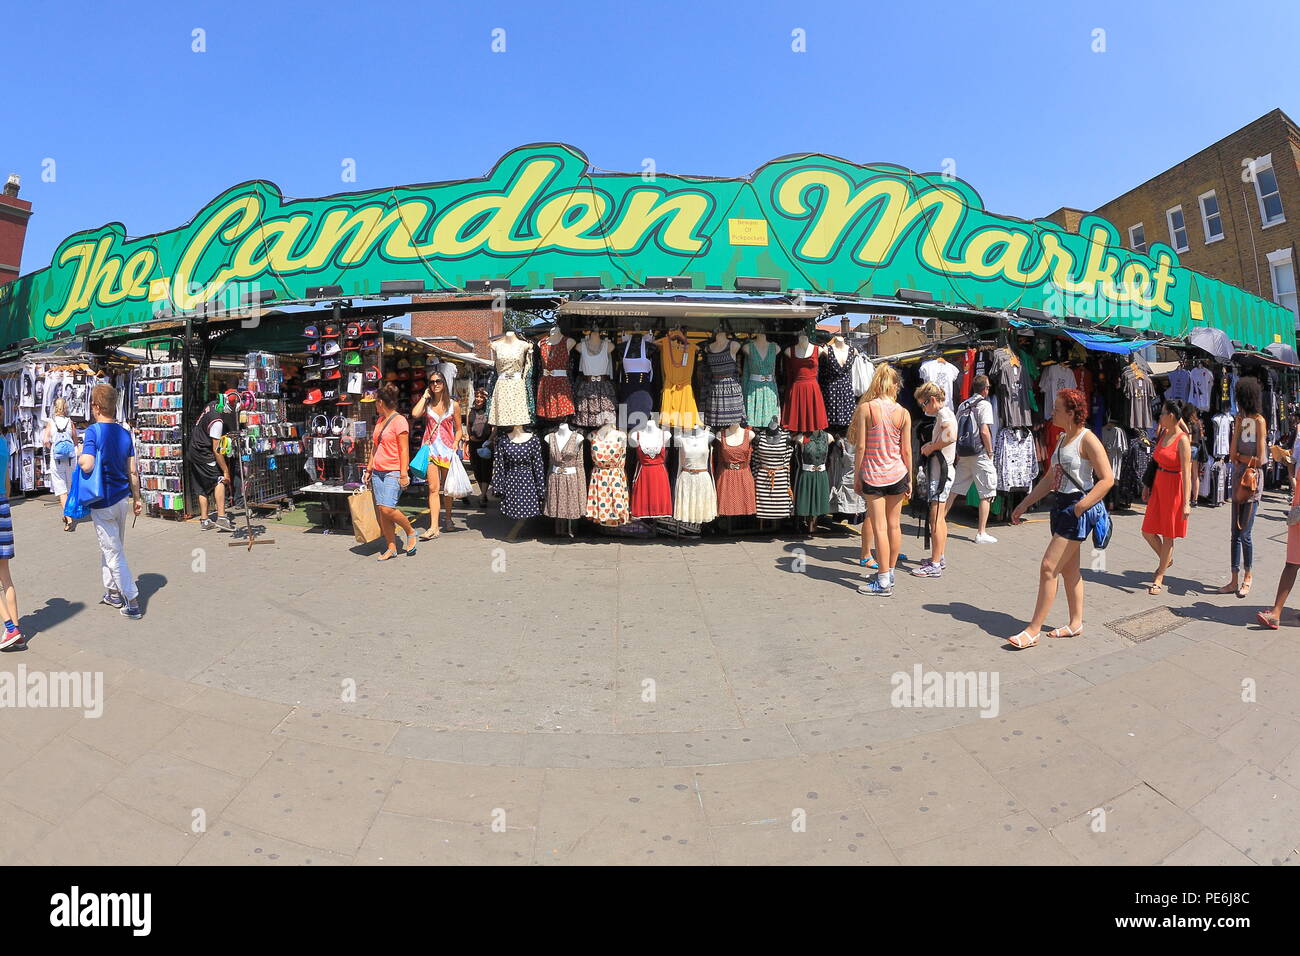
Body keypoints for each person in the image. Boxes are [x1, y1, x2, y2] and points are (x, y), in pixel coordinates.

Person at [1005, 388, 1114, 648]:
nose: (1051, 411)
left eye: (1056, 408)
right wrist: (1024, 504)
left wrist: (1081, 507)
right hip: (1060, 507)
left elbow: (1107, 479)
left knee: (1048, 567)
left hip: (1075, 509)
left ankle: (1033, 630)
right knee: (1069, 570)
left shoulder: (1088, 439)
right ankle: (1076, 623)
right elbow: (1050, 479)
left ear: (1071, 412)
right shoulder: (1063, 438)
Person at [80, 384, 144, 619]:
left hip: (102, 500)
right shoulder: (125, 433)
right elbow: (133, 471)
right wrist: (137, 498)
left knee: (113, 551)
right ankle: (112, 592)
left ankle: (132, 600)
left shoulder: (93, 432)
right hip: (121, 499)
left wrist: (79, 456)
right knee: (112, 546)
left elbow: (86, 464)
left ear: (96, 407)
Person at [849, 363, 911, 597]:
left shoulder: (867, 408)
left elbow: (861, 446)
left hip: (874, 475)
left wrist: (857, 475)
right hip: (898, 473)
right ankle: (890, 572)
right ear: (895, 385)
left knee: (879, 527)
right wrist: (910, 478)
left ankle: (883, 580)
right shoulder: (903, 413)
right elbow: (906, 450)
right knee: (894, 525)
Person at [1218, 378, 1266, 598]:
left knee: (1245, 533)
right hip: (1238, 477)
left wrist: (1241, 457)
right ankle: (1234, 579)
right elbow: (1232, 452)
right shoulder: (1241, 420)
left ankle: (1248, 576)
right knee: (1233, 533)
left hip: (1252, 480)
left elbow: (1262, 458)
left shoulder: (1259, 421)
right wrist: (1237, 428)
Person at [1142, 398, 1193, 595]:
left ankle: (1159, 576)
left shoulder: (1183, 441)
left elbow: (1187, 474)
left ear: (1170, 416)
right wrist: (1148, 485)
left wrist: (1187, 503)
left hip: (1174, 488)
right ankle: (1167, 559)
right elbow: (1155, 462)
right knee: (1147, 530)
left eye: (1162, 414)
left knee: (1168, 535)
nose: (1159, 417)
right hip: (1159, 484)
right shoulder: (1163, 433)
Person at [363, 383, 417, 560]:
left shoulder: (399, 421)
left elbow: (404, 450)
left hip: (393, 471)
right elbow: (375, 447)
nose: (375, 406)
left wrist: (404, 473)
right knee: (382, 513)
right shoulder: (380, 421)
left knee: (387, 509)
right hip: (378, 471)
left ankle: (410, 531)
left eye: (375, 403)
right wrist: (369, 468)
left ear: (380, 402)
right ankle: (391, 547)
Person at [945, 375, 998, 544]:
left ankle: (938, 522)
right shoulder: (985, 405)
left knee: (954, 490)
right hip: (979, 452)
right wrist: (990, 451)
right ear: (985, 389)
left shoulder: (963, 405)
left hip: (964, 453)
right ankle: (981, 533)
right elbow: (984, 431)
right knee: (986, 492)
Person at [911, 381, 956, 578]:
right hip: (942, 472)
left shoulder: (944, 414)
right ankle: (939, 556)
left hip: (941, 474)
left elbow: (950, 436)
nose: (924, 408)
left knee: (936, 518)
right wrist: (933, 444)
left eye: (924, 404)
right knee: (938, 518)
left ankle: (935, 563)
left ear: (932, 400)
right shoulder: (944, 414)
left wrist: (932, 447)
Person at [411, 372, 463, 540]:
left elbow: (459, 429)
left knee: (447, 489)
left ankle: (447, 518)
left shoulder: (453, 405)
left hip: (447, 451)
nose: (435, 384)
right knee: (433, 489)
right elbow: (414, 414)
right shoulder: (427, 404)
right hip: (431, 449)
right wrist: (424, 396)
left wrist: (456, 442)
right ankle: (434, 527)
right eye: (432, 382)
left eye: (438, 381)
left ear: (444, 383)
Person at [189, 390, 237, 531]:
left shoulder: (212, 405)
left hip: (194, 450)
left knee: (201, 486)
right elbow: (216, 449)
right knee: (220, 480)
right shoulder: (217, 421)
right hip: (204, 453)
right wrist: (226, 470)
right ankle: (221, 517)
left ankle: (204, 520)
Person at [0, 401, 22, 649]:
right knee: (5, 576)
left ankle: (8, 628)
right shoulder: (3, 443)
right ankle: (16, 630)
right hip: (3, 507)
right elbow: (6, 484)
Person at [43, 397, 79, 531]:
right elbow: (75, 440)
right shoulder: (70, 422)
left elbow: (45, 440)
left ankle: (68, 517)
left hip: (56, 460)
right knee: (69, 488)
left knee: (61, 489)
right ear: (65, 408)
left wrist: (53, 446)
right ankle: (68, 513)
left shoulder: (51, 422)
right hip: (70, 459)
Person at [465, 386, 492, 507]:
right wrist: (470, 437)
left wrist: (490, 440)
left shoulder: (489, 411)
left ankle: (482, 496)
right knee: (476, 469)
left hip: (486, 444)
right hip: (473, 444)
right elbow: (468, 426)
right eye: (477, 396)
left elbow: (494, 428)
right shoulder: (470, 411)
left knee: (486, 469)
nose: (479, 399)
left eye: (481, 397)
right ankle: (483, 493)